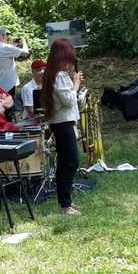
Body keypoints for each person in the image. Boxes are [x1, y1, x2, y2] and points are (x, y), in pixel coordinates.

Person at [42, 39, 84, 215]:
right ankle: (65, 205)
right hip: (63, 123)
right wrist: (76, 84)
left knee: (65, 162)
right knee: (70, 162)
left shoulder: (56, 74)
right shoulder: (59, 76)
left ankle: (65, 201)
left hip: (62, 122)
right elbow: (68, 100)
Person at [0, 25, 29, 93]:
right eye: (7, 34)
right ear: (3, 35)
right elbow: (25, 53)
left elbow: (4, 53)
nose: (7, 37)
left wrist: (13, 45)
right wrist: (24, 41)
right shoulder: (6, 47)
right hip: (8, 85)